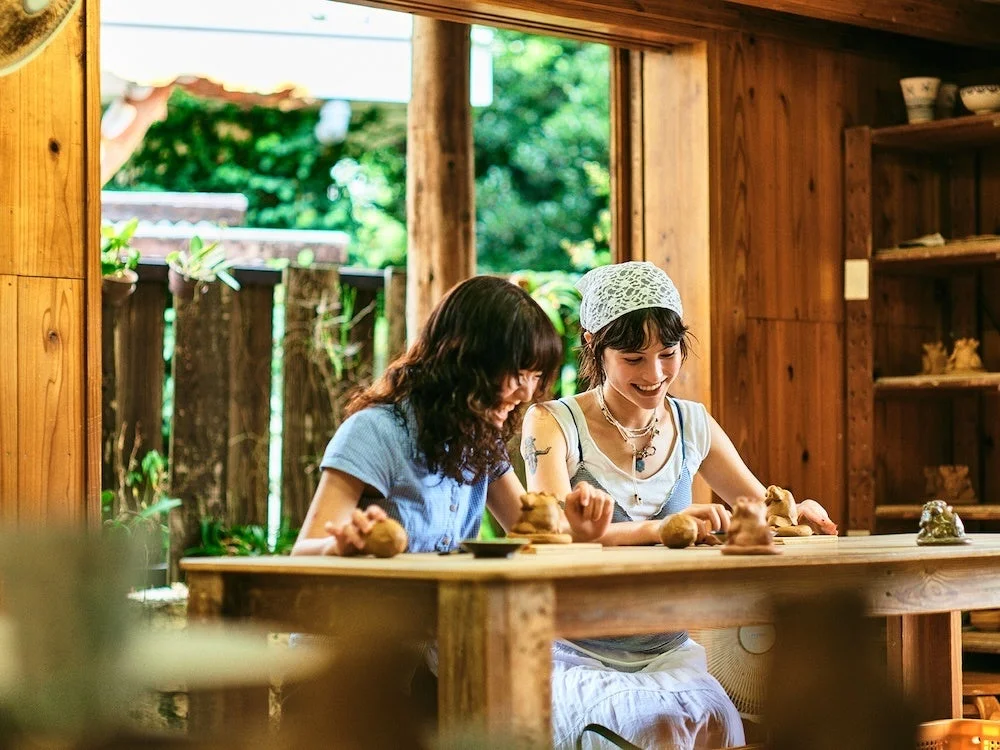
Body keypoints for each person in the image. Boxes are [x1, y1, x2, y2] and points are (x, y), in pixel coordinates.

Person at [521, 260, 838, 749]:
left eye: (668, 354)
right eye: (633, 359)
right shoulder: (552, 423)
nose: (655, 375)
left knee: (719, 727)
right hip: (576, 655)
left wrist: (796, 512)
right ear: (593, 344)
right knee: (650, 730)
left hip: (671, 655)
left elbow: (762, 509)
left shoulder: (693, 424)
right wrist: (661, 529)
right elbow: (553, 534)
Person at [291, 274, 614, 558]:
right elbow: (304, 551)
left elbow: (530, 532)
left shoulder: (480, 438)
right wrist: (340, 546)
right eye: (517, 375)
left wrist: (579, 531)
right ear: (464, 361)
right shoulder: (375, 431)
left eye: (536, 376)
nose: (526, 394)